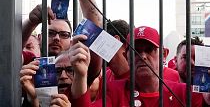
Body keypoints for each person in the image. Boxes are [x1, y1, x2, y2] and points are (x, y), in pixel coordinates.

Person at [68, 26, 209, 107]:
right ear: (126, 57)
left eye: (149, 49)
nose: (142, 56)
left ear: (164, 55)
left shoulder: (185, 93)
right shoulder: (113, 90)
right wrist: (80, 75)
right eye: (136, 51)